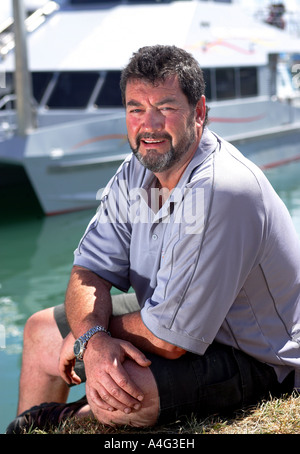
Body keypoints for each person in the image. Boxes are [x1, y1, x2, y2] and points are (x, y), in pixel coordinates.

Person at [6, 45, 300, 434]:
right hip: (173, 318)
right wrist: (91, 339)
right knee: (41, 332)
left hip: (258, 357)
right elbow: (88, 269)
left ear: (198, 112)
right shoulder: (136, 171)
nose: (149, 124)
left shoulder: (221, 190)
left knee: (125, 394)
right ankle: (37, 426)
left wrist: (90, 337)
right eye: (135, 109)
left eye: (166, 107)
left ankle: (69, 420)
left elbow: (169, 339)